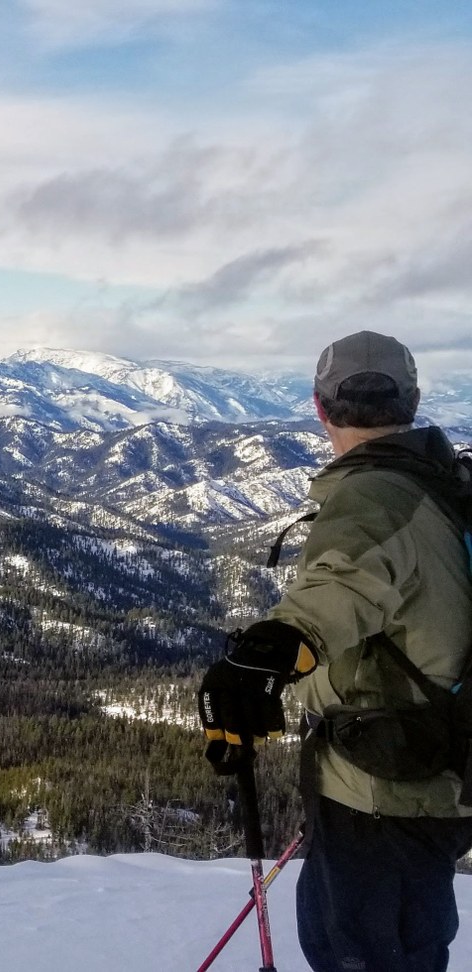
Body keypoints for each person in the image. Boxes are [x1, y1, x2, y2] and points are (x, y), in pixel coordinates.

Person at [199, 330, 472, 971]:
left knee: (357, 951)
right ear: (414, 400)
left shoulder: (376, 497)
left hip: (386, 787)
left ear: (320, 407)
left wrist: (260, 660)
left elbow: (340, 585)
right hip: (439, 772)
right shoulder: (445, 481)